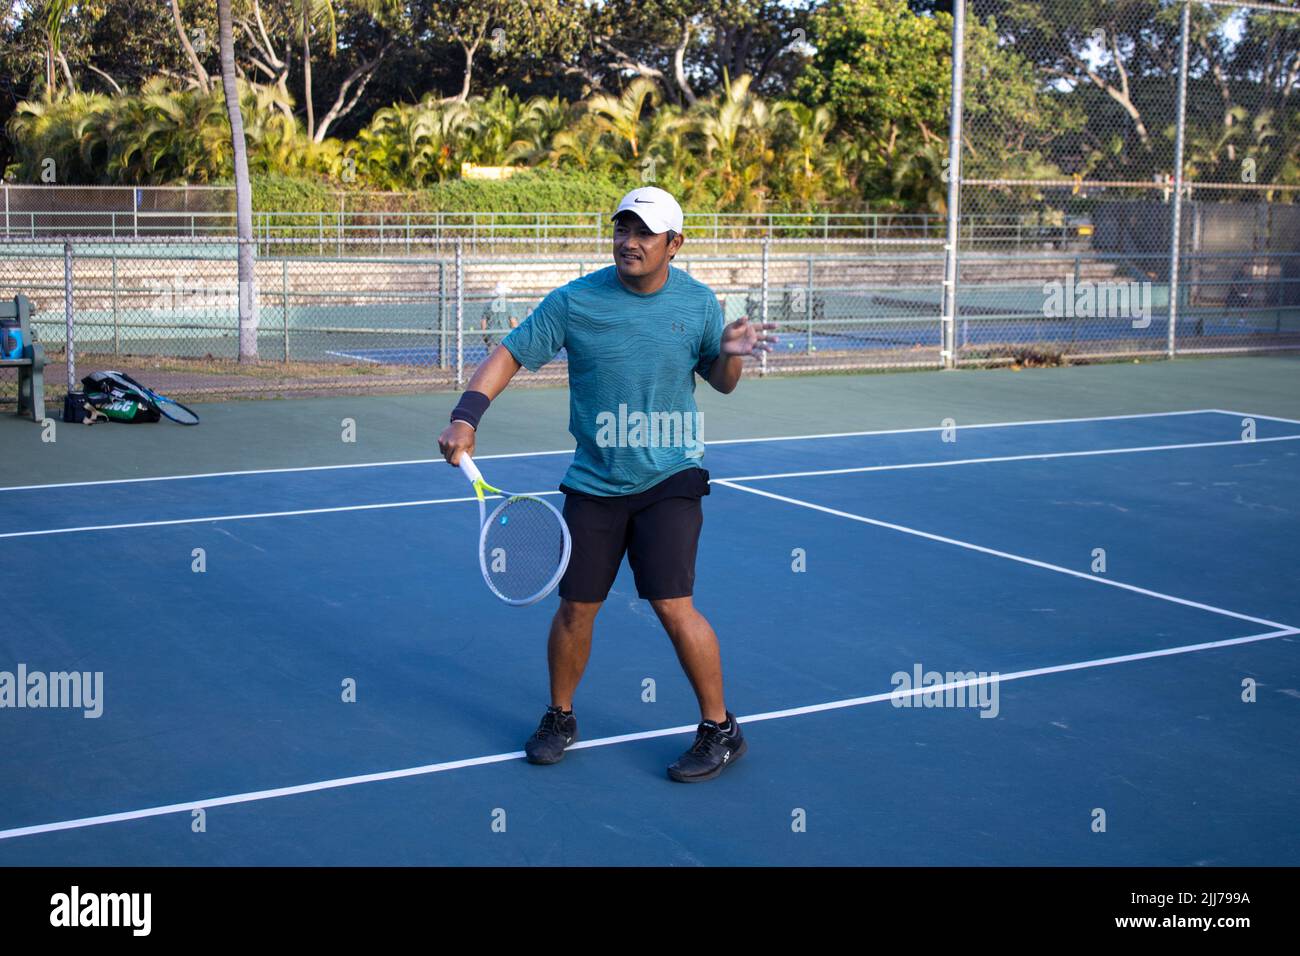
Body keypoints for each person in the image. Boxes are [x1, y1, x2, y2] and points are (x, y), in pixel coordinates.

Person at [437, 186, 777, 782]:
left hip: (671, 475)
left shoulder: (699, 303)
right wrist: (467, 415)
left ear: (675, 243)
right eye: (623, 229)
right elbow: (510, 353)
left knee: (673, 605)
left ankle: (719, 730)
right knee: (576, 608)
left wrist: (730, 352)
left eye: (645, 232)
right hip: (595, 479)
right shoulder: (576, 300)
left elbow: (722, 382)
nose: (630, 242)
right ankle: (560, 717)